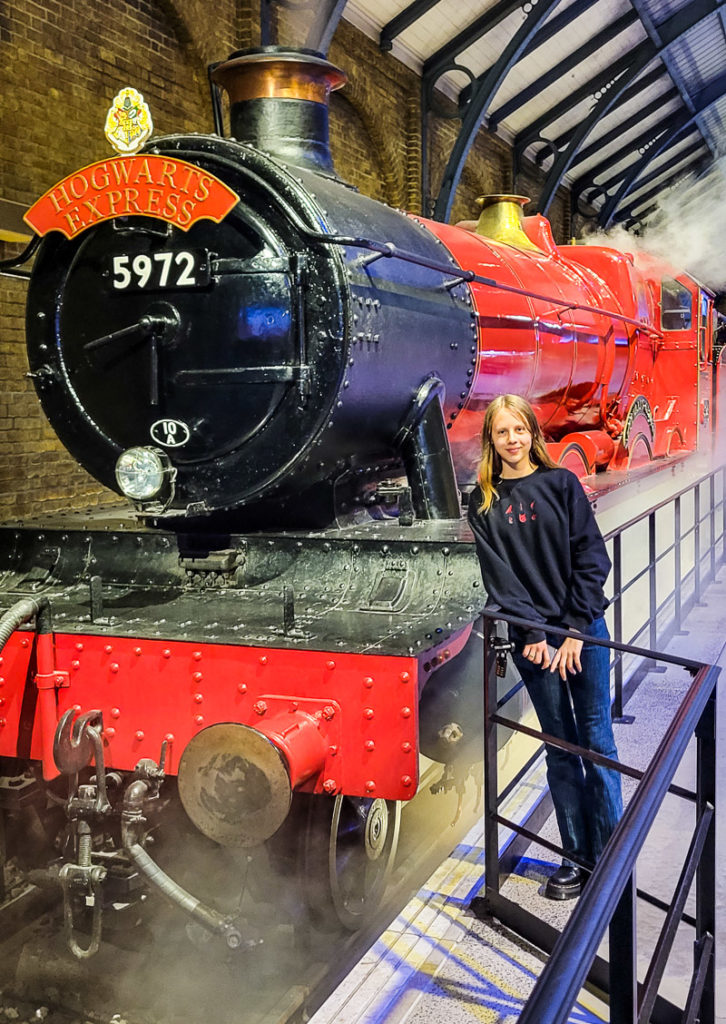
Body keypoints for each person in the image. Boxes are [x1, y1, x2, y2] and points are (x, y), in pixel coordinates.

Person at [467, 394, 623, 900]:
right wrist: (534, 635)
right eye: (501, 432)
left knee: (596, 740)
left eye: (519, 430)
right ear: (491, 440)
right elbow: (502, 580)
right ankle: (577, 857)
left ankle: (612, 855)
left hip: (582, 631)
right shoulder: (484, 501)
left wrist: (575, 630)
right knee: (559, 745)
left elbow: (591, 558)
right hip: (532, 641)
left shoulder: (561, 485)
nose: (511, 440)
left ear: (533, 432)